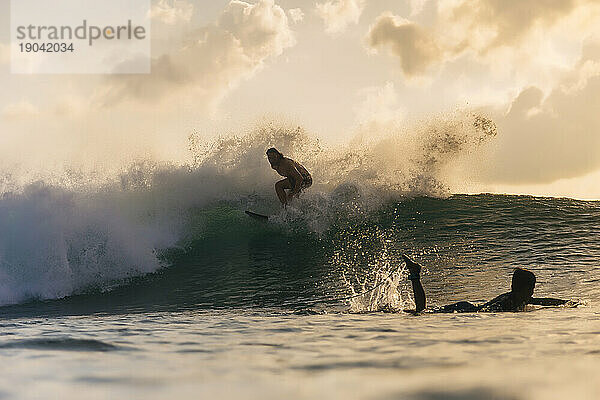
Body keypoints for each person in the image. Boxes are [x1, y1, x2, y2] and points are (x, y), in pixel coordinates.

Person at [402, 254, 573, 314]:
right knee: (421, 312)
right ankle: (415, 274)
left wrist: (566, 303)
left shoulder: (519, 298)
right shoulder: (510, 301)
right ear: (525, 288)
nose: (533, 293)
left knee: (421, 311)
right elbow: (488, 310)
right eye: (532, 288)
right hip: (465, 309)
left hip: (467, 307)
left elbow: (542, 301)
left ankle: (415, 275)